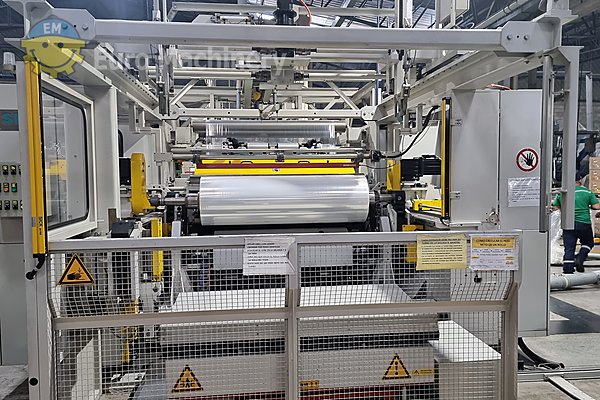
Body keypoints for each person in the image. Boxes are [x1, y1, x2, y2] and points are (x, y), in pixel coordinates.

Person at [553, 173, 600, 274]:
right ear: (579, 180)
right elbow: (596, 206)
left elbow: (555, 207)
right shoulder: (587, 192)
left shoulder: (562, 192)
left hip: (568, 224)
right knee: (588, 243)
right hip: (584, 223)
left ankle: (568, 270)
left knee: (569, 248)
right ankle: (580, 258)